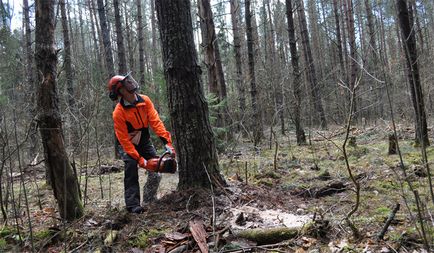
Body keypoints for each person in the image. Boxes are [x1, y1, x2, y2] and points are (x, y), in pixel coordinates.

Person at [107, 72, 176, 213]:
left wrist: (167, 142)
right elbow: (124, 141)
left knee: (157, 166)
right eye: (127, 83)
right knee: (131, 167)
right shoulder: (118, 112)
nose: (131, 83)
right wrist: (141, 160)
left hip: (143, 140)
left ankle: (149, 199)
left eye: (130, 80)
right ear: (120, 90)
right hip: (127, 144)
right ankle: (133, 206)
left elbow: (156, 122)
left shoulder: (145, 100)